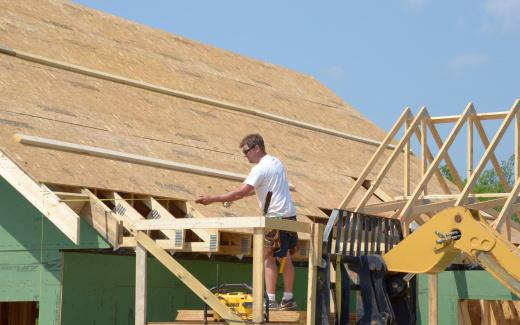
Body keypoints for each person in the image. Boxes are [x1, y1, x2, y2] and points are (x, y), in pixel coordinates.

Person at [196, 134, 298, 311]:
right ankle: (288, 298)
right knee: (286, 256)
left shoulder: (259, 168)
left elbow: (241, 191)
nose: (245, 156)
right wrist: (237, 197)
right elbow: (260, 188)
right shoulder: (275, 162)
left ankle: (271, 301)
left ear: (257, 148)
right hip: (289, 216)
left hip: (274, 217)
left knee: (268, 257)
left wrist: (213, 198)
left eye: (246, 151)